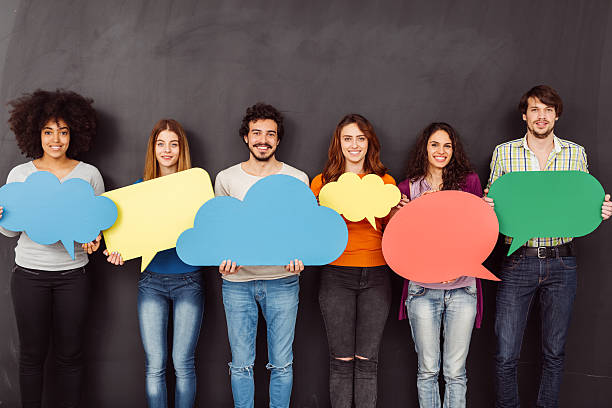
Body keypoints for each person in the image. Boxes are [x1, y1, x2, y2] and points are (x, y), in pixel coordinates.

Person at [483, 85, 612, 408]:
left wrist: (600, 209)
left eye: (548, 110)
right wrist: (487, 207)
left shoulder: (575, 153)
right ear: (524, 115)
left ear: (557, 115)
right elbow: (493, 200)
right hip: (517, 262)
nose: (541, 116)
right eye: (535, 110)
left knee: (554, 352)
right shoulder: (504, 153)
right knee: (505, 352)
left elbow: (583, 203)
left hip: (562, 262)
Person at [0, 89, 102, 408]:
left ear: (74, 133)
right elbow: (8, 231)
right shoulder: (20, 175)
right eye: (47, 131)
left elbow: (95, 233)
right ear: (35, 133)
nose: (55, 139)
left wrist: (95, 241)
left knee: (70, 354)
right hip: (29, 276)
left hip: (73, 276)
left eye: (62, 131)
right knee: (32, 355)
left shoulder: (89, 175)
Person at [91, 119, 204, 408]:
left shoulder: (196, 188)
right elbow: (125, 241)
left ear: (182, 149)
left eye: (174, 144)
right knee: (155, 364)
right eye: (161, 143)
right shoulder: (138, 191)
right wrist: (119, 253)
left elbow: (206, 234)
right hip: (151, 282)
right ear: (153, 149)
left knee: (183, 362)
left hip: (189, 281)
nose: (167, 150)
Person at [215, 102, 308, 408]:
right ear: (246, 137)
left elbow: (301, 228)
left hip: (283, 280)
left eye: (270, 134)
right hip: (237, 283)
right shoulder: (226, 179)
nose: (263, 140)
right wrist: (223, 256)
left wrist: (299, 254)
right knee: (241, 364)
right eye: (256, 133)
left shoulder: (298, 178)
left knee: (282, 363)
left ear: (278, 140)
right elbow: (221, 228)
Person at [395, 122, 483, 408]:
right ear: (425, 148)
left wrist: (484, 211)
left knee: (456, 372)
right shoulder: (407, 188)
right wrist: (401, 217)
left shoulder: (469, 183)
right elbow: (401, 244)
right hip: (422, 290)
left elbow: (479, 234)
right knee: (428, 370)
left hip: (462, 289)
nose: (441, 151)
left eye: (447, 145)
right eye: (435, 144)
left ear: (454, 149)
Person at [310, 113, 395, 408]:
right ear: (339, 143)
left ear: (369, 142)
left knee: (367, 361)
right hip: (336, 276)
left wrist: (400, 213)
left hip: (377, 276)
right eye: (348, 138)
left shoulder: (385, 182)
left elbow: (393, 232)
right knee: (341, 361)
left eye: (361, 138)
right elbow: (312, 231)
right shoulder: (322, 183)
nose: (354, 145)